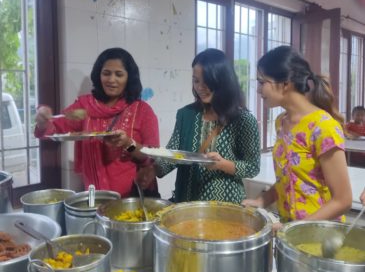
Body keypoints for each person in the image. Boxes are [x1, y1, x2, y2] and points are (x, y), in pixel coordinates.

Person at [242, 45, 352, 224]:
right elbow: (289, 179)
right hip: (290, 232)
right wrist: (262, 201)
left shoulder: (323, 127)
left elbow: (343, 200)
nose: (258, 89)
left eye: (262, 82)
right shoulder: (281, 122)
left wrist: (293, 229)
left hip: (319, 236)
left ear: (285, 84)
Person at [138, 48, 261, 204]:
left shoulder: (243, 120)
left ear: (222, 80)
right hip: (186, 203)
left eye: (207, 81)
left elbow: (252, 167)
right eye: (196, 81)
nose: (200, 87)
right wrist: (152, 170)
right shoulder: (186, 114)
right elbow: (174, 154)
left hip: (224, 206)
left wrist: (222, 164)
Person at [35, 47, 160, 197]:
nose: (111, 80)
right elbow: (54, 127)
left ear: (129, 78)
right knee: (93, 219)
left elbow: (152, 156)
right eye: (106, 73)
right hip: (94, 193)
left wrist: (128, 143)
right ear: (98, 75)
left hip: (132, 197)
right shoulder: (85, 106)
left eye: (119, 74)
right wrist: (43, 120)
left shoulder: (142, 110)